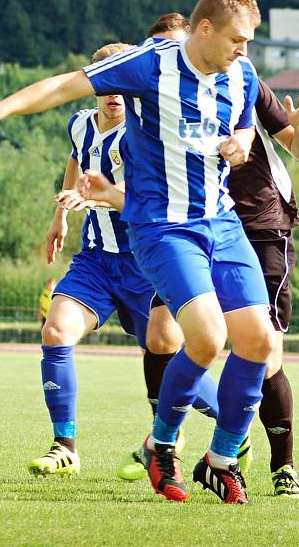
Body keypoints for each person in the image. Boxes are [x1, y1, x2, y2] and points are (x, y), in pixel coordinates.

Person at [0, 0, 274, 504]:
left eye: (249, 42)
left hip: (222, 222)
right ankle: (162, 445)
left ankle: (220, 458)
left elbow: (244, 125)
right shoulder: (150, 64)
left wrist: (243, 140)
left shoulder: (240, 72)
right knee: (206, 339)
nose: (245, 51)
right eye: (238, 40)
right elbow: (65, 86)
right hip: (163, 228)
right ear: (204, 29)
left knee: (259, 343)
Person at [68, 77, 299, 497]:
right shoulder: (157, 96)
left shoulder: (243, 83)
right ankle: (167, 442)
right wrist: (108, 194)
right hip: (183, 229)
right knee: (164, 334)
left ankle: (281, 465)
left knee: (264, 349)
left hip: (258, 228)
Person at [28, 42, 220, 478]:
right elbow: (76, 164)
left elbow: (152, 201)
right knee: (56, 330)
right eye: (106, 83)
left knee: (167, 357)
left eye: (121, 84)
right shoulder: (79, 124)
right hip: (95, 261)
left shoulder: (147, 137)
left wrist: (93, 198)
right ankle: (65, 447)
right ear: (95, 85)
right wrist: (60, 214)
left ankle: (233, 421)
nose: (114, 93)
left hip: (145, 263)